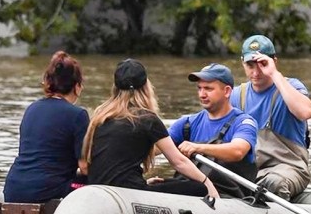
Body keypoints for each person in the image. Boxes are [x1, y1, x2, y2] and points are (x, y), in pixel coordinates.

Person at [80, 58, 220, 201]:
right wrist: (207, 184)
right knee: (198, 188)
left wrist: (144, 183)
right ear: (146, 87)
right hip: (129, 192)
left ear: (115, 87)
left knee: (164, 182)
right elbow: (178, 162)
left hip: (99, 189)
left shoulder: (100, 116)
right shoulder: (147, 118)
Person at [149, 63, 258, 198]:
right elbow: (154, 149)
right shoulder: (187, 123)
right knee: (156, 185)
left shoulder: (243, 122)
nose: (202, 94)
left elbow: (237, 151)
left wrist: (197, 147)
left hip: (229, 196)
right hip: (192, 190)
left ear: (227, 91)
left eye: (208, 89)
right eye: (199, 88)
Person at [230, 35, 311, 200]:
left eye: (262, 64)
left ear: (274, 61)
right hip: (249, 172)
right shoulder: (236, 95)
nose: (256, 72)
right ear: (242, 62)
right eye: (250, 65)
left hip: (288, 168)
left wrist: (274, 74)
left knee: (274, 183)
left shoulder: (291, 86)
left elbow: (305, 112)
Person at [3, 51, 89, 203]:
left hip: (13, 187)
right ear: (77, 86)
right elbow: (85, 167)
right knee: (95, 183)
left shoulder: (31, 109)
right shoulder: (78, 115)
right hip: (46, 190)